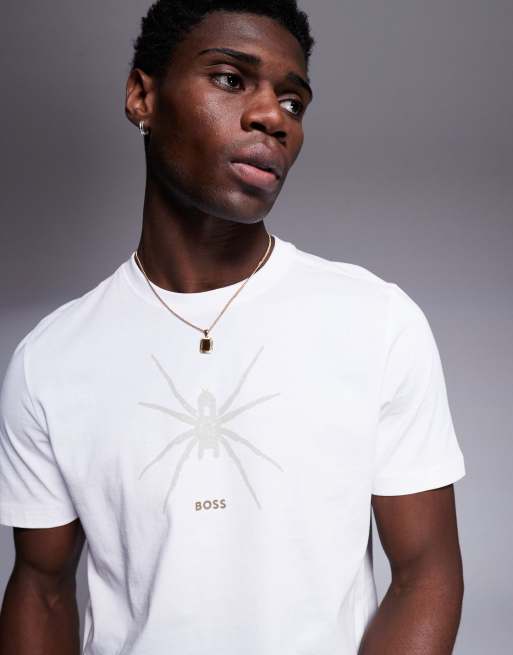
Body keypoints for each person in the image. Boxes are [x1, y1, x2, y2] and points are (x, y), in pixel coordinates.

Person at [0, 1, 466, 653]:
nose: (273, 116)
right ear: (142, 97)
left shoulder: (377, 321)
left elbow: (425, 574)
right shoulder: (50, 358)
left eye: (293, 102)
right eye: (229, 78)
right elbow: (42, 588)